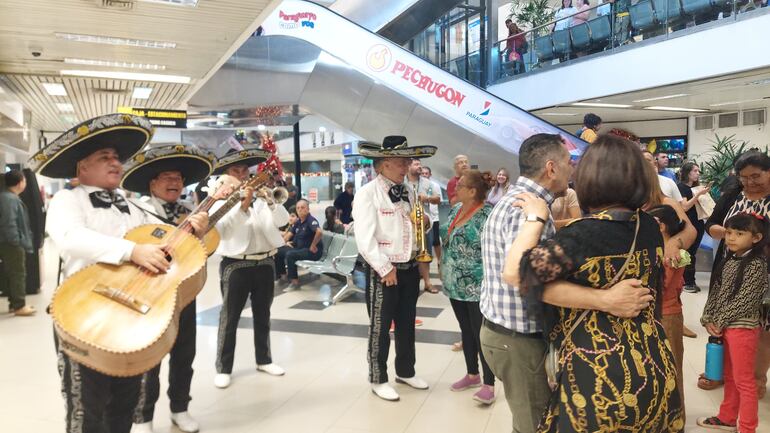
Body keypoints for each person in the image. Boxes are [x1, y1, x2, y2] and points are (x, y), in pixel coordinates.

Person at [31, 114, 209, 433]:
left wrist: (193, 231)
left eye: (116, 157)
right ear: (82, 168)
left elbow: (166, 242)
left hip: (128, 318)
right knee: (85, 410)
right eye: (104, 158)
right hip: (82, 316)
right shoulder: (67, 200)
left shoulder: (134, 208)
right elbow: (71, 239)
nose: (115, 162)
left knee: (124, 406)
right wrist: (132, 251)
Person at [501, 134, 684, 432]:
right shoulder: (649, 226)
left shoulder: (583, 235)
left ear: (590, 178)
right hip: (653, 361)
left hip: (599, 373)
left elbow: (519, 273)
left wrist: (536, 218)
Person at [120, 145, 215, 433]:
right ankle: (143, 416)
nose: (174, 183)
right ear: (152, 183)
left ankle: (180, 409)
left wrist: (201, 235)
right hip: (150, 293)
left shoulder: (192, 212)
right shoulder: (137, 211)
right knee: (149, 358)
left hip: (184, 294)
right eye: (166, 177)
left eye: (178, 178)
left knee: (185, 354)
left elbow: (201, 254)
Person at [352, 135, 437, 402]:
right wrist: (384, 267)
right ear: (382, 165)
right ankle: (378, 377)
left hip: (410, 267)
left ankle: (406, 371)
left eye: (407, 161)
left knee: (406, 324)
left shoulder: (410, 191)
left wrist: (424, 227)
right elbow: (364, 239)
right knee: (380, 326)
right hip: (384, 271)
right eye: (401, 161)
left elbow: (415, 224)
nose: (407, 166)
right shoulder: (367, 193)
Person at [210, 148, 289, 389]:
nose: (242, 174)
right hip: (236, 263)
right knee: (229, 317)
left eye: (245, 170)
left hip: (265, 262)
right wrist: (242, 206)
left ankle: (264, 359)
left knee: (263, 314)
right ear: (227, 173)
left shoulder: (263, 193)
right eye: (236, 170)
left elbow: (283, 222)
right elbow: (221, 229)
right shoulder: (218, 196)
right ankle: (223, 368)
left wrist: (271, 202)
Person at [704, 150, 770, 398]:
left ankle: (755, 379)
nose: (750, 182)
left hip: (764, 273)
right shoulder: (733, 194)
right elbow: (710, 224)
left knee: (760, 327)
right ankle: (719, 371)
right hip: (729, 269)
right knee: (723, 320)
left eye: (756, 176)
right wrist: (731, 233)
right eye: (744, 177)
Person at [697, 212, 769, 433]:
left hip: (743, 329)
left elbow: (745, 300)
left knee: (744, 380)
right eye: (729, 232)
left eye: (739, 233)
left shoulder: (756, 264)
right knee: (728, 375)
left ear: (756, 238)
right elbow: (717, 292)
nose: (731, 238)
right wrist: (707, 317)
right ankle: (727, 417)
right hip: (726, 325)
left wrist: (719, 320)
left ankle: (747, 427)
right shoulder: (730, 258)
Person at [440, 170, 496, 404]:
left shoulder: (487, 214)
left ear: (473, 191)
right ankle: (472, 374)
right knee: (465, 330)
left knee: (479, 332)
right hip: (455, 284)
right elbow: (447, 238)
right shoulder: (455, 210)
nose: (455, 188)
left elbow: (494, 250)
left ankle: (489, 384)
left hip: (476, 284)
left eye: (461, 185)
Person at [648, 204, 690, 423]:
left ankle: (677, 418)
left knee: (673, 368)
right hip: (659, 315)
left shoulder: (674, 254)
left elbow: (663, 286)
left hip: (668, 315)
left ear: (661, 226)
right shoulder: (659, 250)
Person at [0, 169, 35, 316]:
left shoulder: (8, 197)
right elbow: (9, 222)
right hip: (10, 243)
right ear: (20, 182)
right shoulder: (10, 199)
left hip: (8, 241)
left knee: (11, 273)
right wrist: (17, 241)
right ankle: (19, 306)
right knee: (17, 273)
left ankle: (14, 304)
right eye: (24, 180)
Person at [406, 158, 440, 294]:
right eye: (416, 164)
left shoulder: (428, 183)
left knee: (424, 253)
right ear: (409, 166)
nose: (419, 166)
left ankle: (427, 282)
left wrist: (427, 198)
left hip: (423, 221)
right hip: (406, 221)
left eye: (420, 164)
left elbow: (437, 199)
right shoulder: (402, 182)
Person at [677, 162, 712, 293]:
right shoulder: (681, 187)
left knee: (693, 253)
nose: (698, 173)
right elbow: (684, 206)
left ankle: (690, 280)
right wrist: (698, 195)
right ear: (687, 173)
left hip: (698, 223)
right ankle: (687, 282)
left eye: (698, 171)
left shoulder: (695, 188)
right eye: (695, 171)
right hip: (687, 224)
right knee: (688, 252)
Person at [275, 199, 323, 291]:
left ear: (308, 209)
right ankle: (283, 276)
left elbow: (319, 232)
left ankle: (294, 283)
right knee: (278, 250)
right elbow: (288, 236)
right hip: (300, 249)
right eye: (298, 208)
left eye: (302, 207)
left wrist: (313, 245)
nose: (300, 210)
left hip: (312, 251)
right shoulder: (298, 222)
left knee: (290, 255)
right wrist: (283, 243)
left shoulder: (310, 220)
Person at [421, 166, 444, 265]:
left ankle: (439, 261)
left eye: (427, 173)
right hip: (422, 218)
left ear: (430, 174)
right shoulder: (418, 185)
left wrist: (428, 198)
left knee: (436, 242)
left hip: (434, 218)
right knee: (423, 243)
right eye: (423, 173)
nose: (425, 175)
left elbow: (439, 201)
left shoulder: (435, 185)